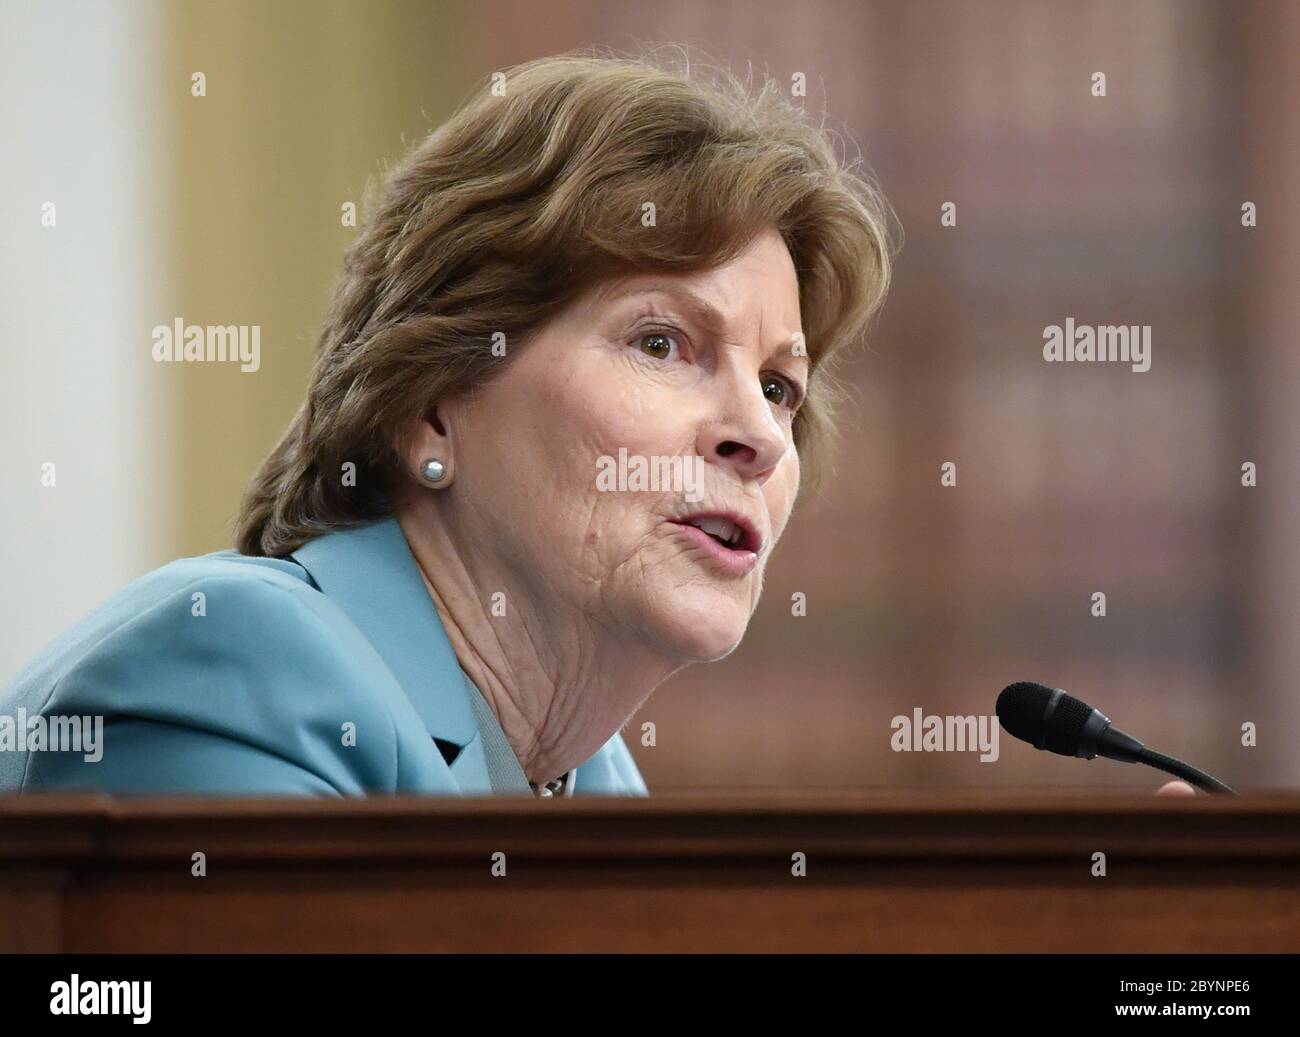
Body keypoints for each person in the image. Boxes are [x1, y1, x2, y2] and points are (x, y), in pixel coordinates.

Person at [0, 51, 894, 797]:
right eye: (661, 342)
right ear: (431, 408)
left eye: (780, 385)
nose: (764, 436)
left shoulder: (598, 787)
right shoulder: (246, 673)